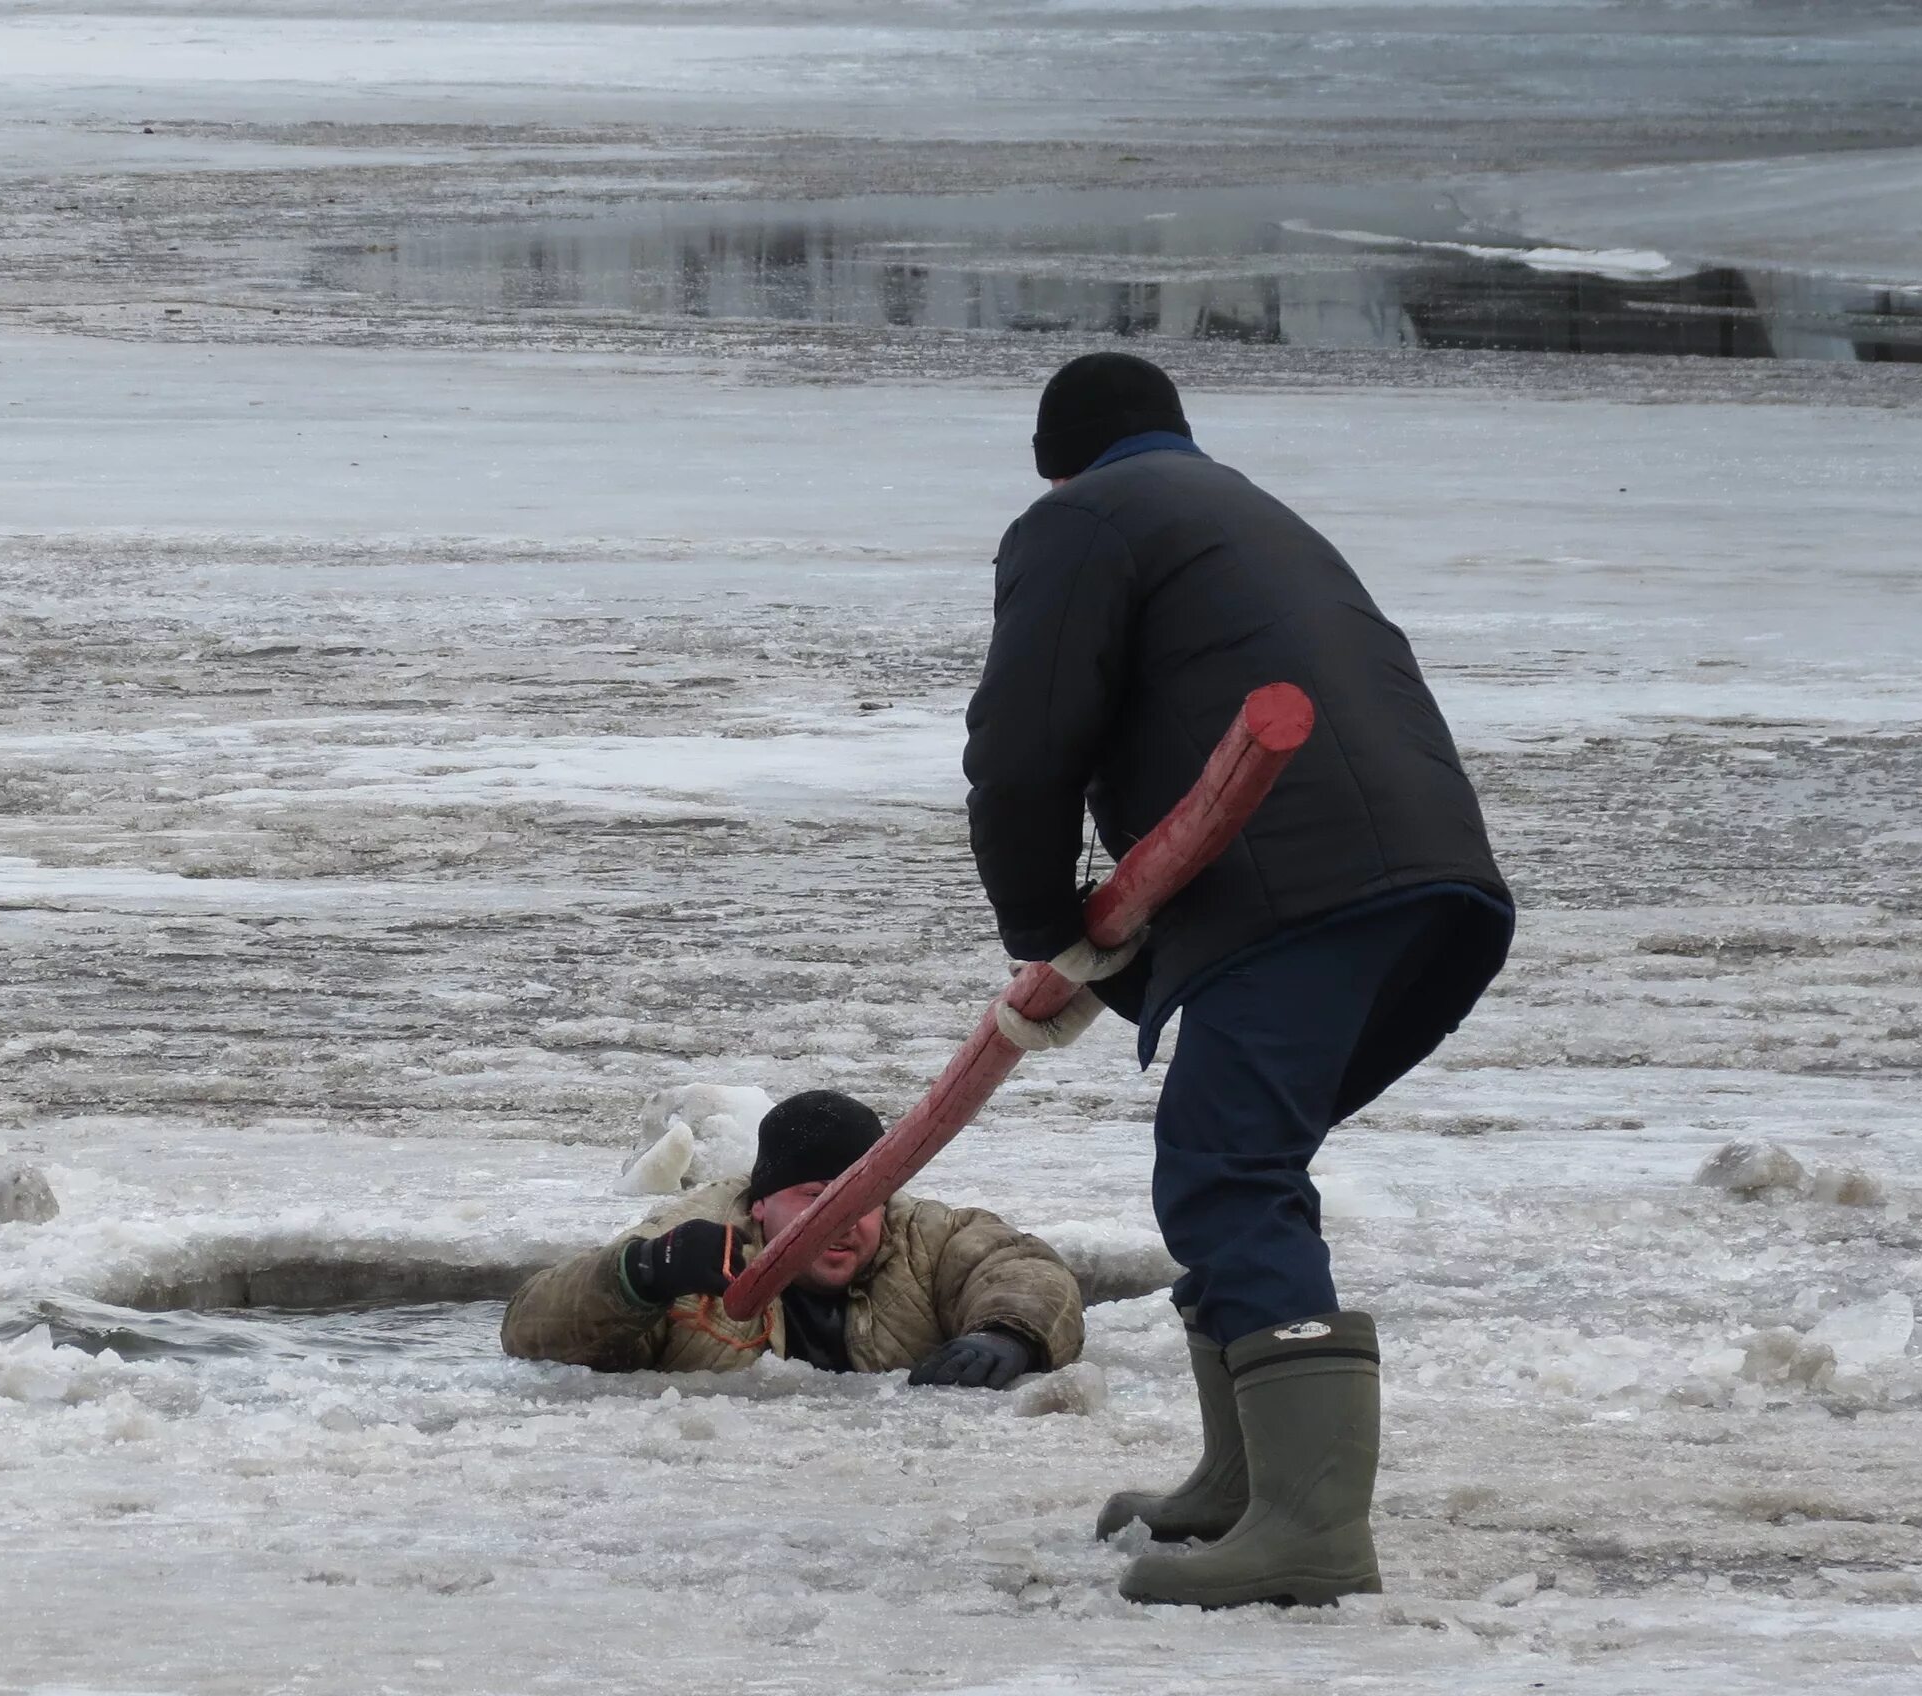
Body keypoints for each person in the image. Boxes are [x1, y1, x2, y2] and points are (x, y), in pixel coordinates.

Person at [964, 352, 1513, 1608]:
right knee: (1241, 1158)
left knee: (1227, 1168)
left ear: (1055, 459)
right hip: (1430, 883)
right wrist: (1119, 958)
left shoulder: (1081, 518)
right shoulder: (1244, 513)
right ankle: (1244, 1484)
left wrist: (1045, 929)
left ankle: (1310, 1531)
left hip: (1307, 881)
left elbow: (1026, 744)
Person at [501, 1090, 1084, 1384]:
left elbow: (1021, 1267)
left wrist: (1009, 1336)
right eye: (816, 1198)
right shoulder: (693, 1239)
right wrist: (640, 1275)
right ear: (762, 1202)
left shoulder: (924, 1236)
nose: (841, 1219)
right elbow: (529, 1328)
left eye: (858, 1199)